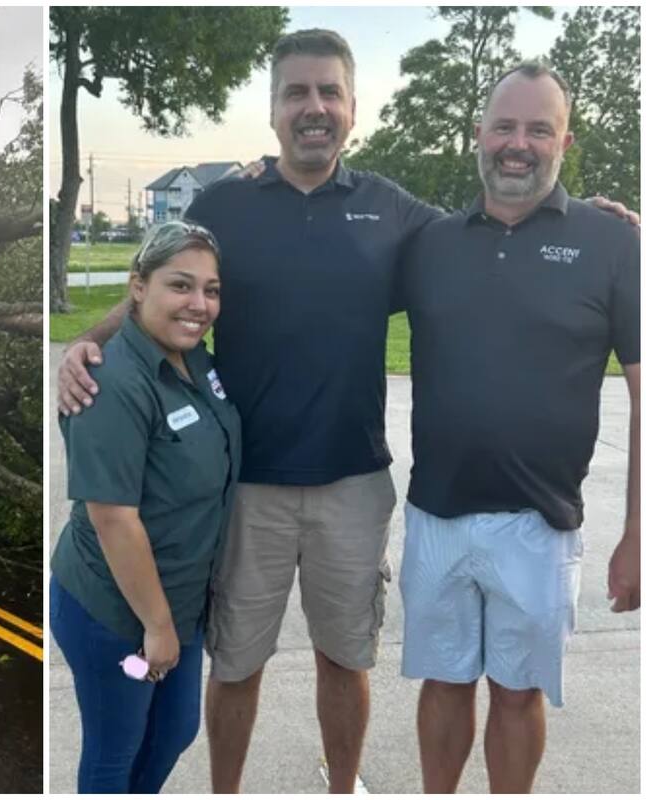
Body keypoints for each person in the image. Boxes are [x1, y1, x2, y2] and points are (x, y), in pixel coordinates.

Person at [58, 29, 441, 793]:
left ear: (353, 108)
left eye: (329, 92)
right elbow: (158, 287)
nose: (314, 107)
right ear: (272, 109)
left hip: (352, 482)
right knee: (236, 661)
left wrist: (585, 223)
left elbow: (475, 248)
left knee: (345, 656)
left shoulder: (389, 210)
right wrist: (83, 343)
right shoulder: (224, 204)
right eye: (297, 92)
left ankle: (342, 785)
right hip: (245, 489)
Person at [397, 62, 639, 794]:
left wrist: (639, 531)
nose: (518, 143)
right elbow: (313, 278)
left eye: (538, 128)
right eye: (505, 125)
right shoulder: (430, 241)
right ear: (478, 135)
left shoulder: (613, 241)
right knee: (442, 682)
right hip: (436, 512)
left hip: (540, 523)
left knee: (517, 692)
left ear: (565, 139)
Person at [51, 220, 242, 793]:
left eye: (210, 289)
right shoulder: (112, 383)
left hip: (175, 604)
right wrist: (156, 628)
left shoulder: (197, 363)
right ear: (138, 286)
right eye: (180, 286)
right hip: (116, 612)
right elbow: (113, 517)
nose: (198, 304)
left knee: (174, 731)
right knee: (115, 753)